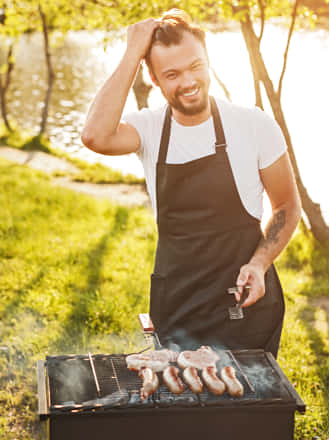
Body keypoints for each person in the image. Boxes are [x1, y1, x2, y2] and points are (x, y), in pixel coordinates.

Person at [80, 9, 301, 357]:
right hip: (177, 306)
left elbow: (287, 206)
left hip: (245, 303)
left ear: (208, 60)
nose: (188, 81)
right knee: (180, 406)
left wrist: (259, 264)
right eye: (171, 74)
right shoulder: (149, 129)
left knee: (247, 407)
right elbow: (94, 136)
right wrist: (131, 54)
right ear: (153, 79)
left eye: (196, 66)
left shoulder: (254, 125)